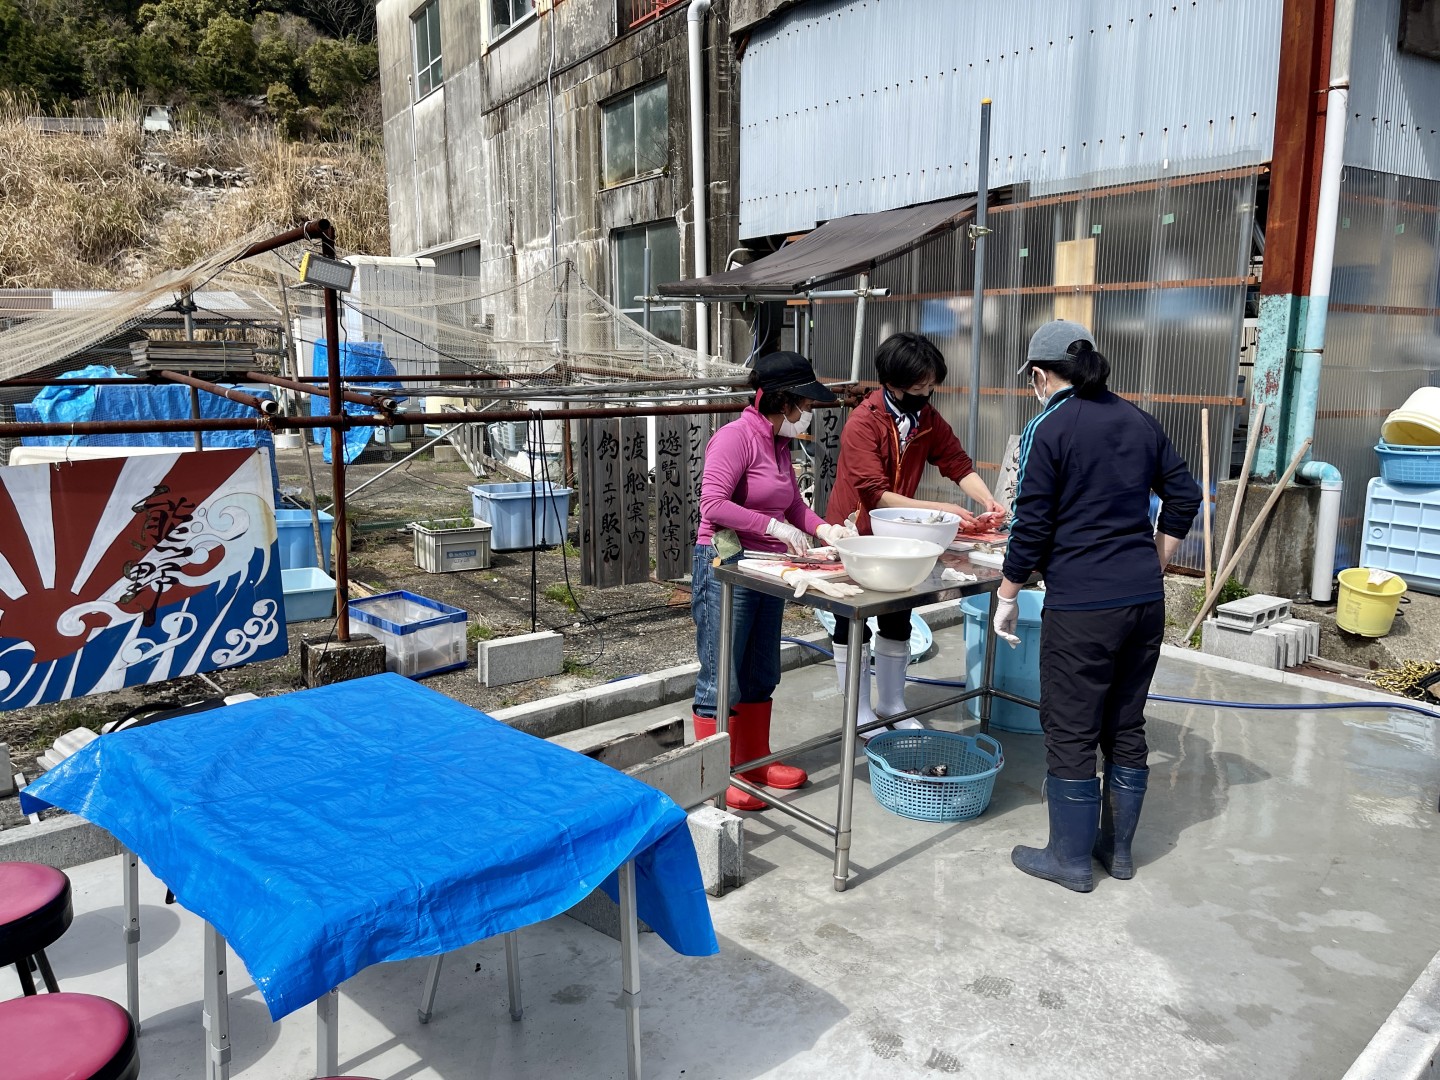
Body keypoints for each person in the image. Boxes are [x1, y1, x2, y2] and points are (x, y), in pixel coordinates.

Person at [997, 320, 1201, 893]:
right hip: (1142, 600)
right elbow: (1184, 495)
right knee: (1125, 723)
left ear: (1039, 375)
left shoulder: (1049, 426)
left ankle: (1068, 860)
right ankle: (1119, 850)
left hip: (1083, 605)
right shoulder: (1137, 418)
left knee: (1070, 728)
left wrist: (1007, 594)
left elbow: (1032, 525)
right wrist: (1153, 559)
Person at [691, 351, 857, 811]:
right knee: (722, 673)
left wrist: (823, 528)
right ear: (783, 401)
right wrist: (774, 528)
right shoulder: (734, 438)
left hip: (769, 567)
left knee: (762, 667)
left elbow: (790, 504)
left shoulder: (781, 445)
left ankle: (754, 759)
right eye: (803, 405)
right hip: (726, 561)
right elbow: (713, 506)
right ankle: (715, 776)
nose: (806, 415)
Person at [824, 331, 1005, 737]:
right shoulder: (863, 422)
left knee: (899, 612)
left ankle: (891, 702)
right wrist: (945, 511)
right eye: (919, 387)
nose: (927, 394)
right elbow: (874, 494)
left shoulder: (926, 419)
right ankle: (858, 710)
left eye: (931, 386)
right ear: (892, 383)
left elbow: (957, 463)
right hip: (854, 530)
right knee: (851, 617)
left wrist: (988, 501)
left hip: (899, 531)